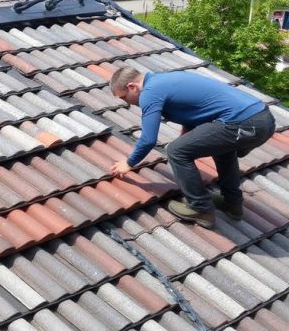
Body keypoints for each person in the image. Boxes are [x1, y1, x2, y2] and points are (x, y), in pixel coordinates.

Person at [108, 67, 275, 228]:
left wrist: (129, 163)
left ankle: (201, 209)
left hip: (244, 124)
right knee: (222, 149)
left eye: (124, 97)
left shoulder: (150, 92)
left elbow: (148, 139)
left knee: (176, 151)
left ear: (132, 87)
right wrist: (187, 139)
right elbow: (195, 115)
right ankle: (232, 203)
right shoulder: (164, 80)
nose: (126, 103)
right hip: (264, 120)